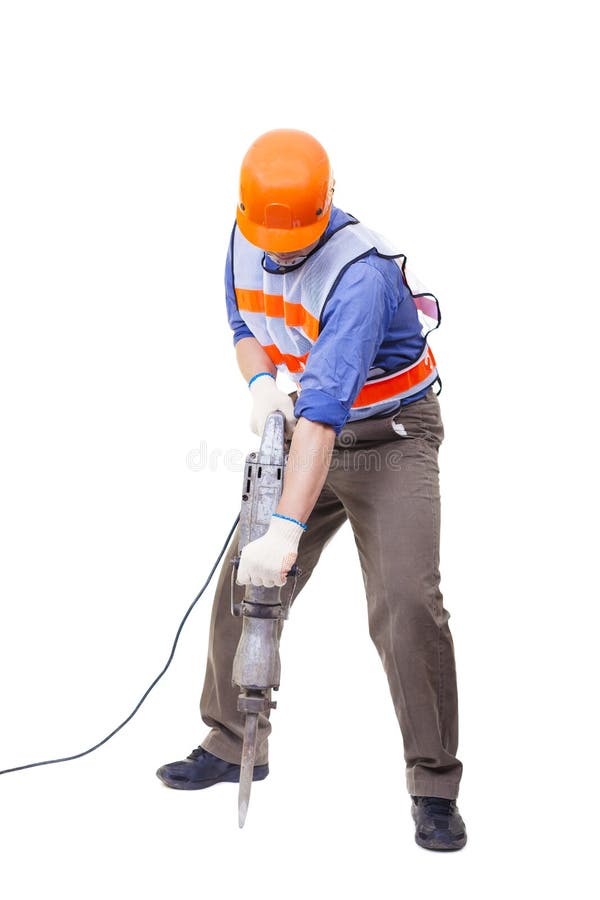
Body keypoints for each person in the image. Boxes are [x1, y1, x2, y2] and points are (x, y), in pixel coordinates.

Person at [156, 129, 467, 851]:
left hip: (392, 437)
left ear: (324, 207)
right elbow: (243, 321)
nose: (283, 251)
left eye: (296, 238)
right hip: (311, 426)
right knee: (245, 581)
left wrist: (287, 531)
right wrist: (261, 381)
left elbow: (325, 417)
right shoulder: (245, 232)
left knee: (407, 605)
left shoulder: (359, 274)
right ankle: (235, 741)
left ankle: (433, 785)